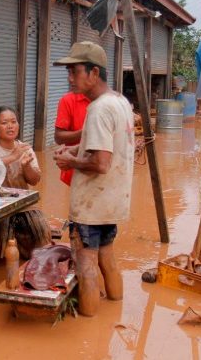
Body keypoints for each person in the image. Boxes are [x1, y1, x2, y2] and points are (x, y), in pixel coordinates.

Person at [52, 41, 135, 317]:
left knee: (86, 266)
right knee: (107, 259)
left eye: (74, 72)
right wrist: (74, 150)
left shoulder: (99, 108)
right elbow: (101, 145)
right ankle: (115, 311)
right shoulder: (121, 102)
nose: (70, 78)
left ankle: (89, 335)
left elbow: (100, 163)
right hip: (111, 202)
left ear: (94, 74)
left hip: (91, 205)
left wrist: (69, 161)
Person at [0, 106, 51, 259]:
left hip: (21, 205)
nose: (10, 126)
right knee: (3, 246)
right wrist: (13, 156)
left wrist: (26, 166)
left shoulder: (26, 149)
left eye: (13, 122)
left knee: (39, 236)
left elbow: (35, 180)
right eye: (4, 123)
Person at [54, 91, 90, 186]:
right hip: (75, 171)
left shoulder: (108, 103)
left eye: (75, 75)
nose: (70, 79)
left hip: (101, 172)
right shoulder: (68, 100)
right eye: (70, 75)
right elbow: (58, 137)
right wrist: (85, 133)